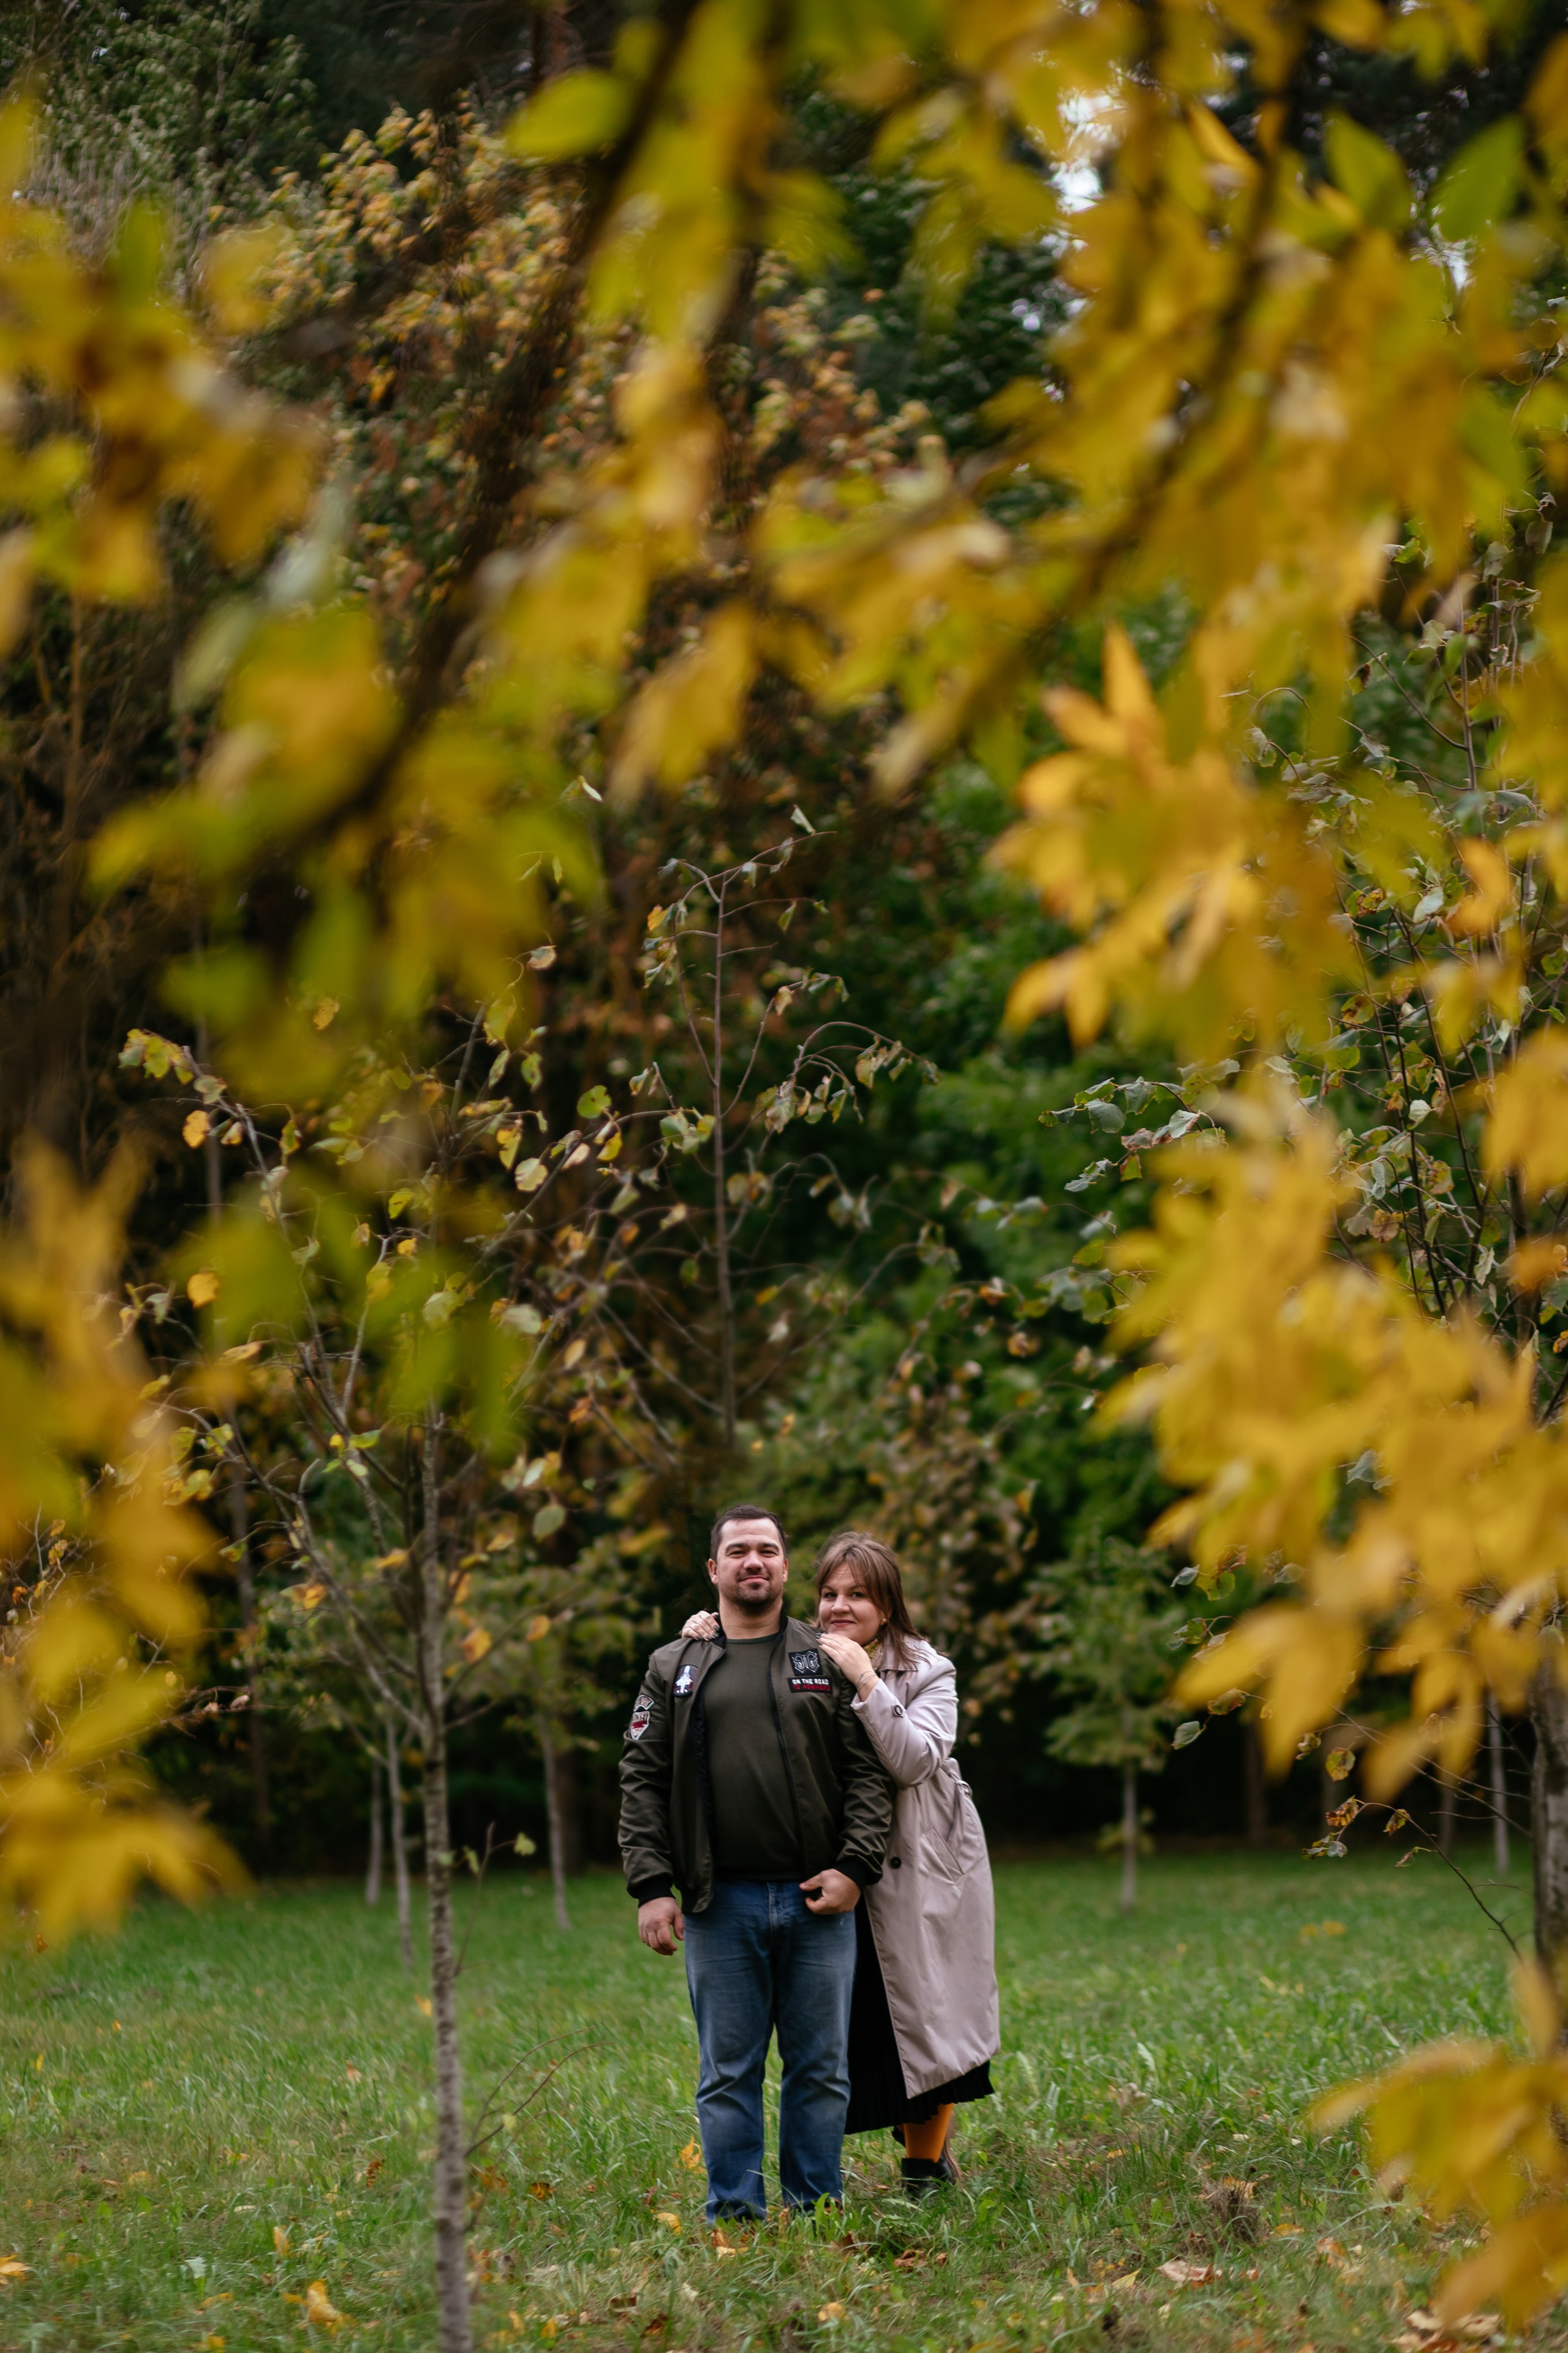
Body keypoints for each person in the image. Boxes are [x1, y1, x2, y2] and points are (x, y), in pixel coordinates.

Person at [682, 1528, 998, 2198]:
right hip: (840, 1864)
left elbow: (913, 1761)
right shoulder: (808, 1653)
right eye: (829, 1593)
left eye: (859, 1594)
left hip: (919, 1865)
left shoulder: (927, 1669)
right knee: (867, 2024)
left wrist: (865, 1679)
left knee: (926, 2016)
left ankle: (924, 2169)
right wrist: (705, 1634)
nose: (840, 1606)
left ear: (888, 1604)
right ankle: (896, 2151)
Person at [619, 1505, 893, 2224]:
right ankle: (735, 2217)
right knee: (727, 2073)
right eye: (738, 1550)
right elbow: (641, 1778)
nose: (754, 1561)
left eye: (767, 1550)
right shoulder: (674, 1666)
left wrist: (855, 1867)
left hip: (816, 1900)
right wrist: (651, 1886)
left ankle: (816, 2210)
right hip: (718, 1904)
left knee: (821, 2071)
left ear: (784, 1566)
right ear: (714, 1569)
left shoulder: (825, 1657)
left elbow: (866, 1775)